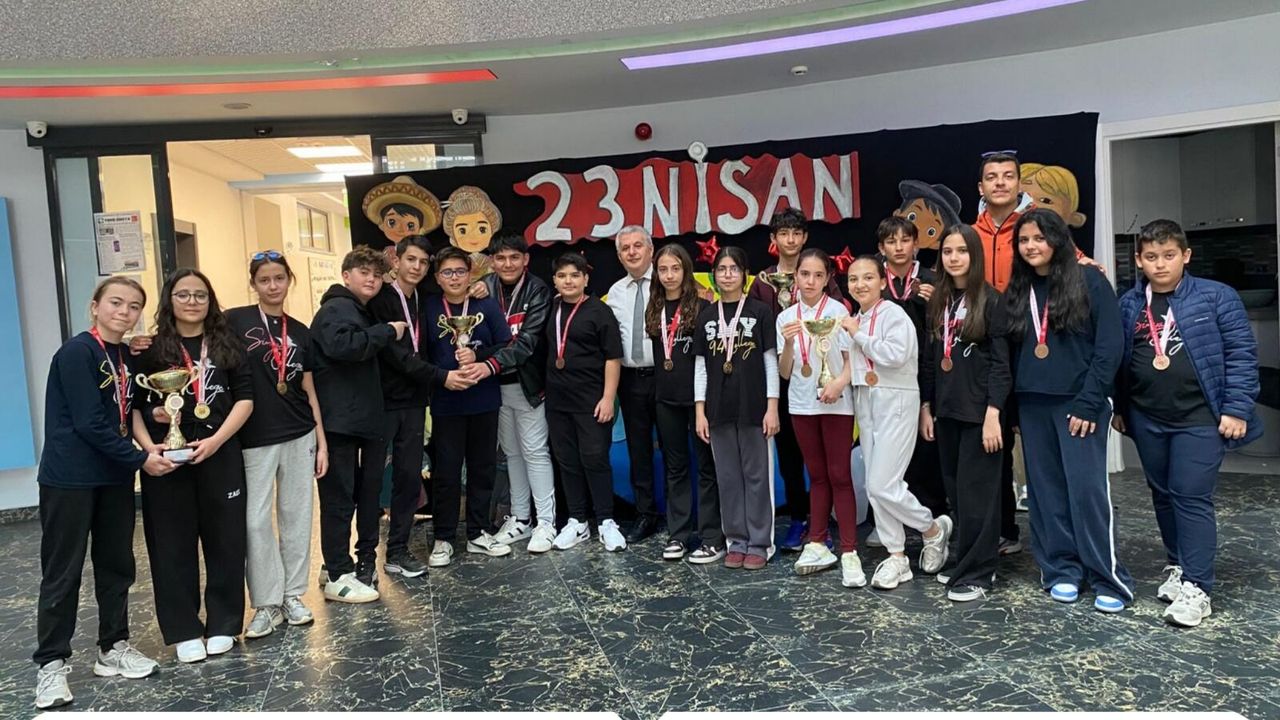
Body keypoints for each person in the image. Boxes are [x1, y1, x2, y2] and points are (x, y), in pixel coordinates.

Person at [33, 278, 172, 710]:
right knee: (63, 572)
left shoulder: (124, 357)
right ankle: (51, 665)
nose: (124, 312)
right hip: (70, 479)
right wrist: (140, 458)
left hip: (113, 477)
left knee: (116, 566)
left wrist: (154, 420)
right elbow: (89, 422)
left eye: (133, 306)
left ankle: (113, 647)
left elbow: (128, 409)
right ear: (95, 306)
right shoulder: (77, 352)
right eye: (115, 302)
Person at [1114, 219, 1260, 627]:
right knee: (1162, 494)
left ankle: (1198, 587)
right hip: (1147, 416)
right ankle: (1178, 565)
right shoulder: (1129, 304)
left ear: (1186, 256)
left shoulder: (1216, 297)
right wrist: (1121, 407)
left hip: (1200, 417)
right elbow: (1120, 360)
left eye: (1168, 255)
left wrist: (1236, 408)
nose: (1160, 264)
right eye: (1151, 257)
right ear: (1139, 260)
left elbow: (1241, 354)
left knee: (1190, 495)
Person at [1005, 208, 1134, 613]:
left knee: (1086, 491)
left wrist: (1089, 402)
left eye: (1039, 238)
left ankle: (1107, 577)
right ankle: (1061, 569)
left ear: (1058, 239)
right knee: (1045, 493)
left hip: (1079, 403)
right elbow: (1011, 353)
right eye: (1024, 240)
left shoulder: (1089, 280)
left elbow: (1110, 346)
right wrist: (1014, 412)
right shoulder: (1019, 288)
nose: (1031, 246)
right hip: (1033, 404)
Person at [133, 269, 253, 662]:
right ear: (169, 300)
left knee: (226, 542)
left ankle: (224, 623)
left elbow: (245, 399)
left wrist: (217, 441)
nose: (192, 301)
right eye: (183, 294)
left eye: (200, 295)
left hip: (220, 454)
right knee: (171, 545)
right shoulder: (150, 350)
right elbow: (136, 408)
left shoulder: (227, 344)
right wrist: (150, 447)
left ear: (210, 300)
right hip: (167, 461)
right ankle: (183, 629)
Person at [225, 252, 327, 639]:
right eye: (264, 279)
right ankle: (266, 602)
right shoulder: (234, 321)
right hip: (254, 437)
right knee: (255, 521)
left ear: (289, 280)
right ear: (253, 283)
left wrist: (321, 442)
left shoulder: (300, 331)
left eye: (279, 278)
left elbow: (309, 388)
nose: (272, 286)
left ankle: (292, 595)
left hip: (300, 432)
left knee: (297, 516)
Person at [843, 256, 952, 590]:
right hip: (866, 399)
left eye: (867, 278)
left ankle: (932, 528)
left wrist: (859, 336)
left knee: (882, 483)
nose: (860, 284)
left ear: (881, 281)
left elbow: (895, 356)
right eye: (853, 279)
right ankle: (897, 556)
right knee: (876, 487)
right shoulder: (857, 318)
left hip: (896, 399)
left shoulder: (893, 314)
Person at [311, 247, 408, 603]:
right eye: (363, 272)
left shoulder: (356, 308)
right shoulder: (336, 308)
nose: (371, 279)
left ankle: (337, 565)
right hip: (340, 422)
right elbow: (344, 346)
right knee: (339, 499)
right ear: (346, 275)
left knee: (355, 496)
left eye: (377, 275)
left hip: (355, 419)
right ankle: (338, 573)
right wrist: (387, 331)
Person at [919, 226, 1011, 602]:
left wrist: (994, 413)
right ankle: (965, 563)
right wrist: (927, 407)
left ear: (975, 255)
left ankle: (980, 572)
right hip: (947, 411)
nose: (954, 258)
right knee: (958, 494)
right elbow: (930, 360)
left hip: (980, 414)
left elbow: (1001, 365)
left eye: (961, 251)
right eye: (947, 251)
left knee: (979, 498)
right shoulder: (939, 301)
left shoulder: (992, 301)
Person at [747, 208, 847, 551]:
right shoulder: (762, 282)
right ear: (773, 239)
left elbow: (836, 319)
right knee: (790, 454)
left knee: (825, 458)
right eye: (783, 233)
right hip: (782, 371)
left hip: (821, 373)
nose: (790, 240)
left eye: (796, 233)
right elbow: (756, 327)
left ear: (804, 237)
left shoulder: (819, 274)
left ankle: (824, 522)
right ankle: (799, 518)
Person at [367, 235, 461, 577]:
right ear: (396, 260)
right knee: (372, 480)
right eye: (411, 260)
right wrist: (441, 377)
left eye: (423, 262)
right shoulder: (379, 299)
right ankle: (361, 559)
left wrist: (479, 288)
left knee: (408, 477)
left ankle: (397, 551)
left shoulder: (425, 298)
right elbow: (395, 355)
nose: (417, 267)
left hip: (415, 401)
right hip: (383, 401)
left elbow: (458, 291)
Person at [778, 249, 865, 588]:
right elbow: (786, 372)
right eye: (805, 274)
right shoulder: (786, 317)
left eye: (818, 275)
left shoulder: (838, 311)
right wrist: (788, 345)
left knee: (839, 474)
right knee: (816, 475)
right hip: (802, 404)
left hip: (837, 403)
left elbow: (851, 360)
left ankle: (849, 551)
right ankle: (816, 543)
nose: (811, 281)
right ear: (795, 277)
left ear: (828, 278)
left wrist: (838, 384)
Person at [421, 247, 513, 565]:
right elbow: (421, 353)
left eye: (460, 271)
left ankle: (477, 532)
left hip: (484, 398)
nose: (454, 278)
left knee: (482, 468)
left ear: (470, 273)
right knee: (446, 471)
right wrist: (442, 377)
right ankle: (444, 538)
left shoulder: (486, 304)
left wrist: (479, 357)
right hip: (446, 401)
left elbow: (505, 344)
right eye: (447, 272)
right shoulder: (428, 307)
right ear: (437, 277)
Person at [695, 246, 780, 570]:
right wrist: (700, 411)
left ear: (744, 274)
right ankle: (736, 541)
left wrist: (772, 407)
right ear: (714, 275)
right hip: (718, 410)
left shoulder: (760, 312)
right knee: (728, 478)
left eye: (734, 268)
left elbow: (770, 364)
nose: (728, 274)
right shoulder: (706, 316)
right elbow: (700, 368)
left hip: (754, 409)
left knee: (757, 477)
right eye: (722, 269)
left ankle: (759, 543)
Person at [646, 243, 722, 563]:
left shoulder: (702, 306)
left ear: (686, 270)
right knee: (675, 467)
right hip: (666, 399)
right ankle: (677, 535)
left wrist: (704, 402)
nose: (669, 275)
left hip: (699, 400)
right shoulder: (654, 306)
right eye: (663, 269)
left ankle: (711, 537)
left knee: (706, 467)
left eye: (675, 268)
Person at [544, 253, 627, 551]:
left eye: (574, 275)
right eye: (562, 276)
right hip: (557, 402)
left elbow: (613, 358)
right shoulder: (550, 307)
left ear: (586, 279)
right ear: (555, 280)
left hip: (592, 401)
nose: (568, 281)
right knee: (567, 461)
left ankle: (606, 521)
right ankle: (577, 521)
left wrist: (608, 398)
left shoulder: (599, 312)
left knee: (595, 459)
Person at [483, 233, 557, 553]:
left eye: (514, 257)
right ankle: (521, 518)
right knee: (511, 453)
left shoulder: (538, 290)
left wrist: (488, 363)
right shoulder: (484, 287)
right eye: (500, 258)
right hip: (494, 387)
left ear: (526, 259)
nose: (508, 264)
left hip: (527, 385)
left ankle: (547, 522)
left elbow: (527, 343)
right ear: (492, 261)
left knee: (534, 452)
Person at [878, 215, 948, 522]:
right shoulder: (874, 281)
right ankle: (889, 518)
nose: (899, 247)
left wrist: (936, 305)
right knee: (887, 447)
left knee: (926, 444)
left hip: (925, 372)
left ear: (916, 245)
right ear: (881, 247)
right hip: (884, 375)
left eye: (905, 240)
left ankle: (933, 515)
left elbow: (949, 327)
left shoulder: (933, 280)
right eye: (891, 241)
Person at [606, 225, 663, 544]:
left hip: (666, 376)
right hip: (631, 380)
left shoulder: (668, 281)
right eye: (625, 248)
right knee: (638, 451)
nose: (632, 252)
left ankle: (681, 516)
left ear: (651, 250)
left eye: (638, 245)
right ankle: (645, 514)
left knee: (675, 449)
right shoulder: (615, 292)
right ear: (619, 256)